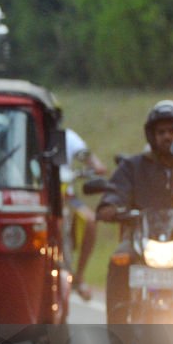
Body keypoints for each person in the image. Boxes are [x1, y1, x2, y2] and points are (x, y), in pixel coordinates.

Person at [97, 100, 173, 344]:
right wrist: (111, 206)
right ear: (152, 134)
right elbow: (116, 191)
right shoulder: (134, 166)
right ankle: (116, 338)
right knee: (119, 259)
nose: (167, 136)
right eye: (161, 132)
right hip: (140, 240)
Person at [61, 128, 107, 300]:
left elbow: (85, 155)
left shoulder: (67, 136)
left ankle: (79, 276)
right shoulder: (26, 130)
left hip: (66, 196)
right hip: (40, 197)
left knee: (90, 220)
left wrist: (95, 165)